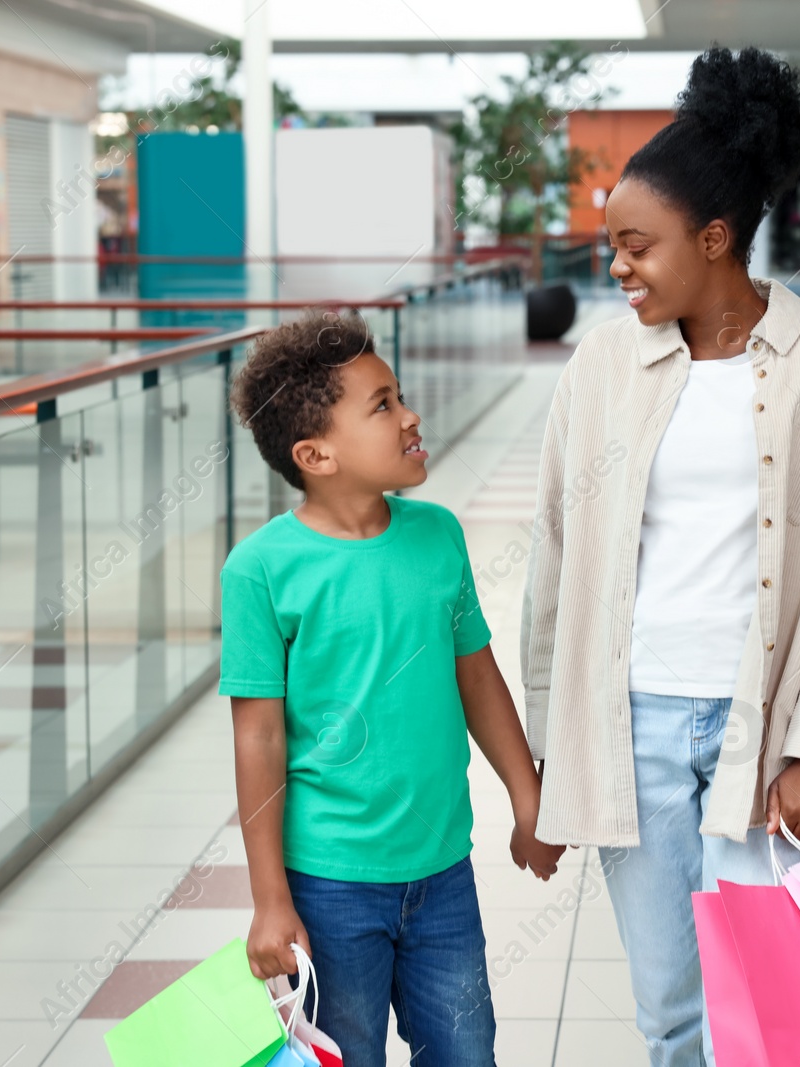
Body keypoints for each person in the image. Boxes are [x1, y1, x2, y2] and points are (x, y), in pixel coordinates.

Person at [519, 47, 800, 1065]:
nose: (617, 268)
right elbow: (557, 548)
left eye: (637, 246)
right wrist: (548, 750)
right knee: (670, 1012)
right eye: (612, 247)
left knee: (774, 1008)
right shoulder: (603, 362)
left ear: (716, 238)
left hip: (761, 729)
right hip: (629, 723)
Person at [222, 313, 565, 1066]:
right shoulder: (260, 570)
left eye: (400, 396)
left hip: (443, 870)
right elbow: (259, 735)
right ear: (316, 453)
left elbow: (475, 673)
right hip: (329, 885)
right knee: (348, 1058)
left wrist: (526, 794)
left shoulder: (438, 533)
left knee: (467, 1053)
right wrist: (270, 898)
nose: (411, 415)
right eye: (381, 405)